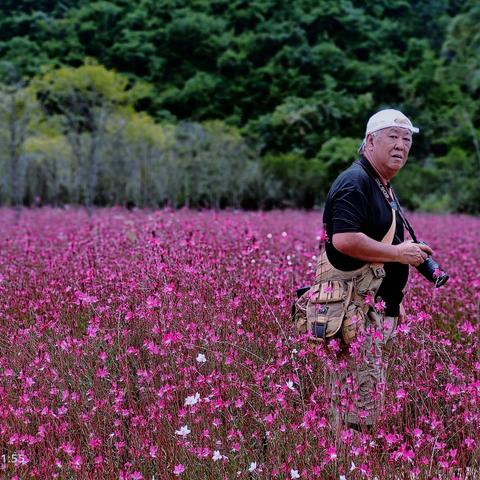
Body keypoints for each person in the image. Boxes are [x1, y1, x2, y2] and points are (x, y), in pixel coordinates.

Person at [322, 108, 433, 431]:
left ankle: (352, 462)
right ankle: (349, 465)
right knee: (357, 409)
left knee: (365, 399)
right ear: (370, 141)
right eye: (393, 137)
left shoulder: (381, 184)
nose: (401, 145)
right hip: (357, 313)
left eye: (407, 139)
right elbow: (344, 239)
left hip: (374, 312)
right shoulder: (355, 182)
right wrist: (398, 253)